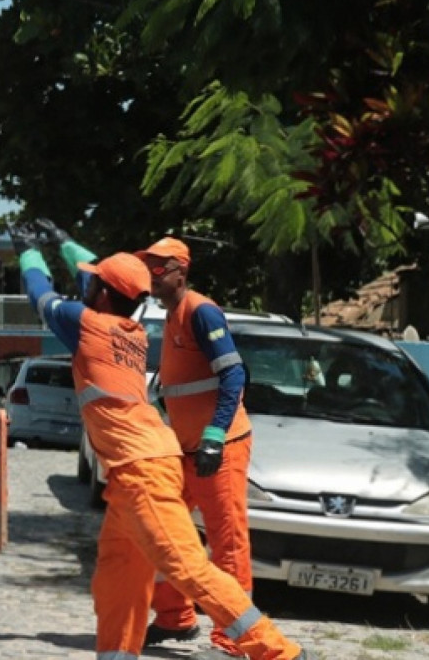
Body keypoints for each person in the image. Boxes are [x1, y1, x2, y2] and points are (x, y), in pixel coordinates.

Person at [14, 221, 307, 660]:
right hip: (145, 462)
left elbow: (39, 291)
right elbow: (94, 279)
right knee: (119, 572)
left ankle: (279, 652)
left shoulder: (87, 325)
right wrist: (61, 241)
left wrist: (28, 252)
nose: (86, 286)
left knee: (186, 565)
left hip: (141, 469)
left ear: (104, 295)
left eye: (93, 284)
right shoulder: (127, 329)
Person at [136, 236, 253, 657]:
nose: (150, 274)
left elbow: (235, 376)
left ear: (180, 273)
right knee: (166, 530)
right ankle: (175, 618)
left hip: (216, 448)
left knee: (228, 543)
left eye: (157, 268)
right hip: (185, 448)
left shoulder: (201, 311)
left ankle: (234, 638)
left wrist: (215, 436)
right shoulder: (170, 315)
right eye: (147, 267)